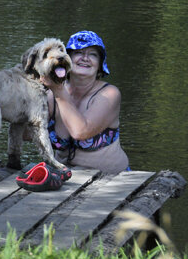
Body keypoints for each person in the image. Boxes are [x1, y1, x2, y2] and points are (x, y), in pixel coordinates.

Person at [43, 30, 130, 174]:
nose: (85, 58)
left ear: (100, 64)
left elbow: (80, 132)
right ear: (67, 59)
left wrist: (59, 91)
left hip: (111, 180)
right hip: (66, 179)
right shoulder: (51, 94)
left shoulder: (110, 94)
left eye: (93, 54)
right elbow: (26, 134)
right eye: (78, 52)